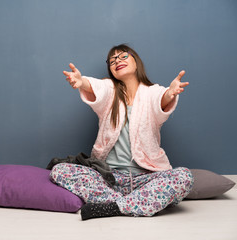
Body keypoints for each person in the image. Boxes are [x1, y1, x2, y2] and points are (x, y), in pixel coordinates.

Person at [50, 44, 194, 220]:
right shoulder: (110, 90)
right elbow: (97, 87)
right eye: (112, 60)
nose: (117, 60)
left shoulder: (152, 92)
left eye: (123, 56)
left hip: (146, 179)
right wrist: (83, 82)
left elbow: (161, 100)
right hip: (109, 178)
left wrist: (170, 93)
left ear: (136, 61)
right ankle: (133, 204)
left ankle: (113, 207)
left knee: (184, 177)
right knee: (60, 170)